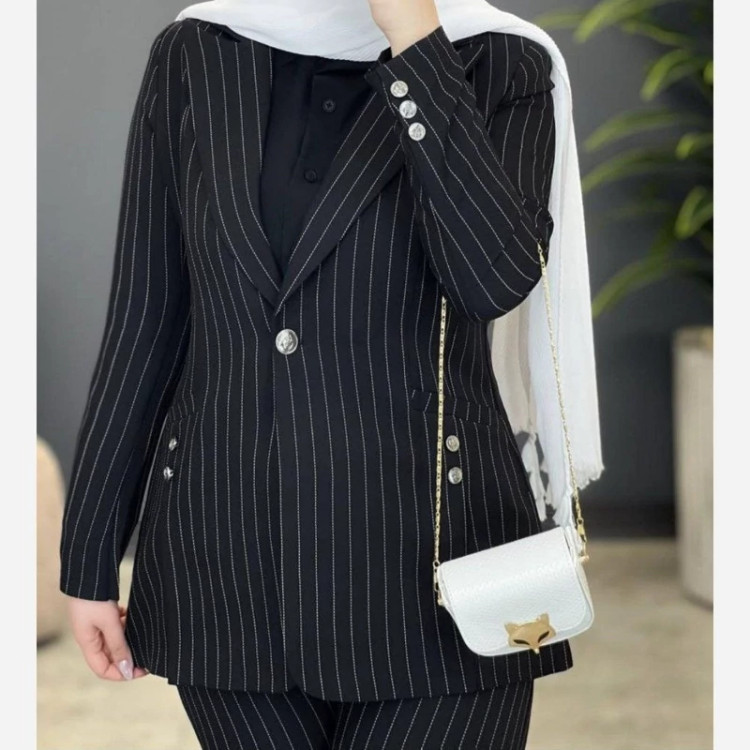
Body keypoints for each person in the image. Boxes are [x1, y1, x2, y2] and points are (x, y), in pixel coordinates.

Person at [60, 0, 602, 747]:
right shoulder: (197, 50)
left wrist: (416, 41)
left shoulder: (506, 62)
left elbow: (495, 279)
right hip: (222, 569)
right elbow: (146, 317)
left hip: (438, 576)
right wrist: (88, 558)